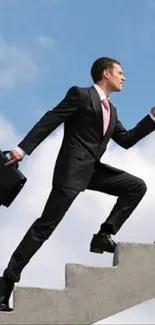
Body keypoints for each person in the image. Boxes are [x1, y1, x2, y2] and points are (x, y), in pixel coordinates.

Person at [1, 57, 155, 312]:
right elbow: (49, 120)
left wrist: (151, 118)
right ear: (106, 73)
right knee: (44, 228)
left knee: (135, 187)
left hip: (93, 171)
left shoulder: (111, 110)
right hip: (71, 172)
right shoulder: (80, 95)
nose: (124, 78)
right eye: (120, 72)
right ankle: (6, 282)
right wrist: (22, 150)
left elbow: (126, 140)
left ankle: (104, 235)